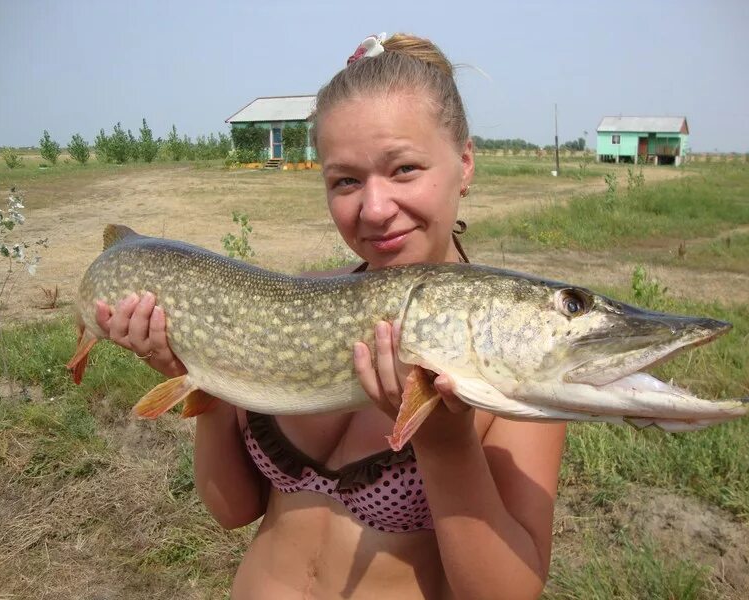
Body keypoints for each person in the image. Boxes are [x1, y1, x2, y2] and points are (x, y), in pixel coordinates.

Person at [96, 33, 566, 600]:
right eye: (345, 180)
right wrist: (207, 383)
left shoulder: (506, 362)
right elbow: (233, 510)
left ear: (464, 163)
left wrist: (444, 445)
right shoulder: (286, 311)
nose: (374, 208)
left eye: (405, 169)